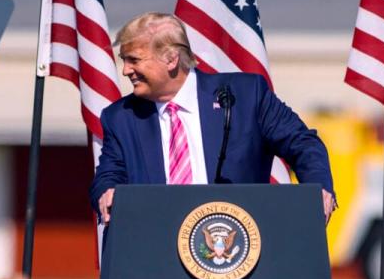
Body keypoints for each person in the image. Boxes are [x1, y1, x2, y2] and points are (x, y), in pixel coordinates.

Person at [90, 12, 336, 225]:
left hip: (239, 246)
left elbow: (303, 143)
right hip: (157, 250)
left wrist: (318, 190)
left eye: (134, 60)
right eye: (125, 61)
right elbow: (109, 174)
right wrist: (107, 192)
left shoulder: (245, 96)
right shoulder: (120, 117)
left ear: (171, 58)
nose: (126, 71)